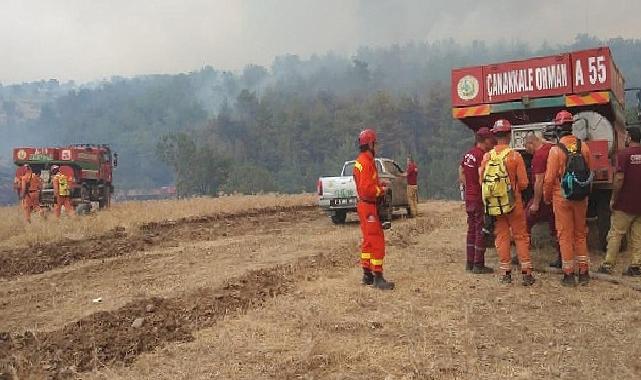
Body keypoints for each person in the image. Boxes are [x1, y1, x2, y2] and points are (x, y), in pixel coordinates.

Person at [480, 119, 535, 286]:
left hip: (495, 204)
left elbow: (481, 180)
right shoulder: (515, 156)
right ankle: (526, 273)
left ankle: (505, 273)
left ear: (495, 136)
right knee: (520, 237)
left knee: (502, 237)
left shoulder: (487, 157)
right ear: (510, 135)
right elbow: (524, 183)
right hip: (514, 203)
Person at [544, 110, 593, 286]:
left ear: (558, 129)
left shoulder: (555, 151)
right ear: (572, 127)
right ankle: (584, 272)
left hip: (562, 197)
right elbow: (589, 172)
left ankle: (569, 274)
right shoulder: (584, 146)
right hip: (581, 197)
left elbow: (549, 179)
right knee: (580, 234)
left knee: (565, 236)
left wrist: (547, 197)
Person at [353, 128, 394, 290]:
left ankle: (367, 274)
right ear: (370, 144)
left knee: (368, 241)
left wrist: (379, 185)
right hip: (368, 206)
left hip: (364, 206)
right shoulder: (366, 162)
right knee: (377, 241)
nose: (377, 146)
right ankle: (378, 277)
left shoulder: (363, 160)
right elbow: (366, 189)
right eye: (375, 143)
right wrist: (381, 191)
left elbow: (367, 185)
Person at [597, 127, 641, 276]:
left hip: (625, 203)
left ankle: (608, 265)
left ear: (629, 138)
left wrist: (614, 198)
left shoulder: (624, 155)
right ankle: (636, 266)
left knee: (616, 233)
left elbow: (619, 178)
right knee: (637, 236)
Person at [459, 127, 495, 274]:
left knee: (471, 229)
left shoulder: (469, 154)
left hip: (469, 197)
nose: (492, 142)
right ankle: (478, 264)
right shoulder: (482, 156)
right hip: (479, 197)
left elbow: (460, 170)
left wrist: (467, 185)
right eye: (490, 140)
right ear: (485, 140)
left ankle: (469, 262)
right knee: (481, 230)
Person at [524, 133, 562, 268]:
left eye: (526, 147)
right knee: (557, 228)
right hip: (557, 196)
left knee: (525, 221)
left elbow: (539, 181)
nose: (527, 150)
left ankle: (522, 255)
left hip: (544, 197)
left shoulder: (539, 156)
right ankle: (562, 257)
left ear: (531, 143)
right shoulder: (552, 148)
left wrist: (535, 202)